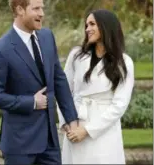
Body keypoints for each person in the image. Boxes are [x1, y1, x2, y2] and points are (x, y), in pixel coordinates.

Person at [0, 0, 78, 165]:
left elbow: (58, 79)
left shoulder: (47, 37)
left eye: (42, 8)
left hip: (50, 142)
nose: (42, 13)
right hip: (19, 145)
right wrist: (32, 102)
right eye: (36, 8)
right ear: (19, 9)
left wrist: (71, 118)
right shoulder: (1, 50)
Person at [57, 9, 134, 164]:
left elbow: (119, 105)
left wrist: (87, 130)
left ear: (105, 26)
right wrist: (66, 122)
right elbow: (63, 89)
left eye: (92, 24)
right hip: (74, 124)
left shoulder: (124, 62)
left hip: (103, 130)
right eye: (86, 25)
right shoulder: (76, 55)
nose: (87, 29)